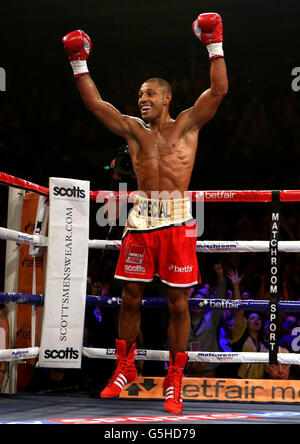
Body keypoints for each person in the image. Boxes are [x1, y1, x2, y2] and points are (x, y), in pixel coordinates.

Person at [62, 12, 228, 414]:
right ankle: (125, 367)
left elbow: (219, 90)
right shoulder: (133, 130)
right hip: (141, 219)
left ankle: (174, 381)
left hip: (178, 219)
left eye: (149, 94)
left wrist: (214, 43)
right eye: (139, 95)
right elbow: (95, 105)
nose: (142, 100)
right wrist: (78, 63)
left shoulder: (188, 124)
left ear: (167, 97)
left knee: (177, 304)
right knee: (130, 297)